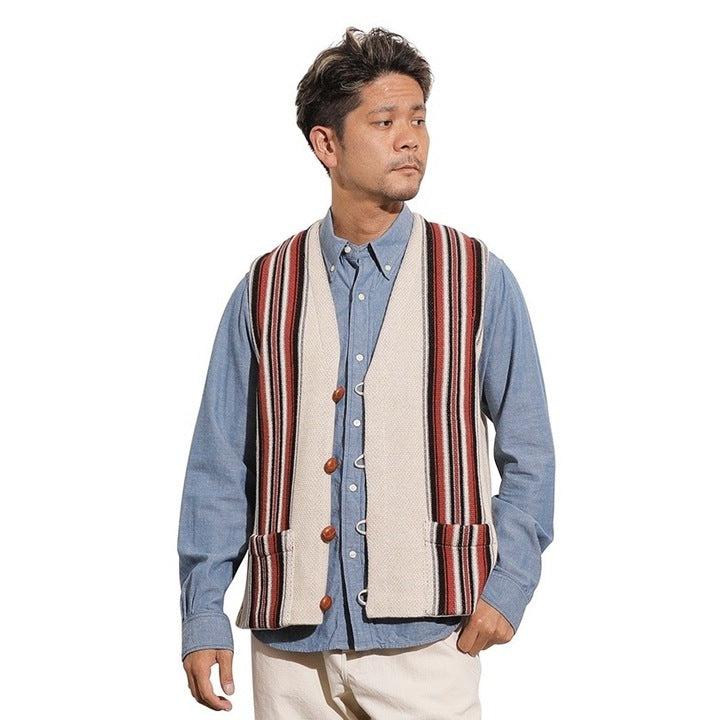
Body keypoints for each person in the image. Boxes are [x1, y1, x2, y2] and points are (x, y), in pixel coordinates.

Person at [178, 27, 554, 719]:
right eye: (385, 123)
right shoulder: (265, 288)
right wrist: (204, 614)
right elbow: (219, 463)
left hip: (429, 639)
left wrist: (509, 588)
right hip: (289, 650)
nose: (410, 140)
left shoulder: (477, 278)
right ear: (327, 144)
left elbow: (529, 451)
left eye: (419, 120)